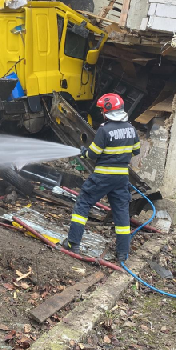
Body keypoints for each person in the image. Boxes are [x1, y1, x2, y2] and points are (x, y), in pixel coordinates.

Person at [61, 93, 140, 262]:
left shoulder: (105, 130)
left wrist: (84, 152)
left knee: (83, 204)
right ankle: (122, 254)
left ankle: (73, 243)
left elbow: (94, 154)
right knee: (121, 214)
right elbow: (135, 150)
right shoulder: (131, 129)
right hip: (121, 179)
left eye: (102, 110)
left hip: (103, 176)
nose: (101, 113)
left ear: (107, 111)